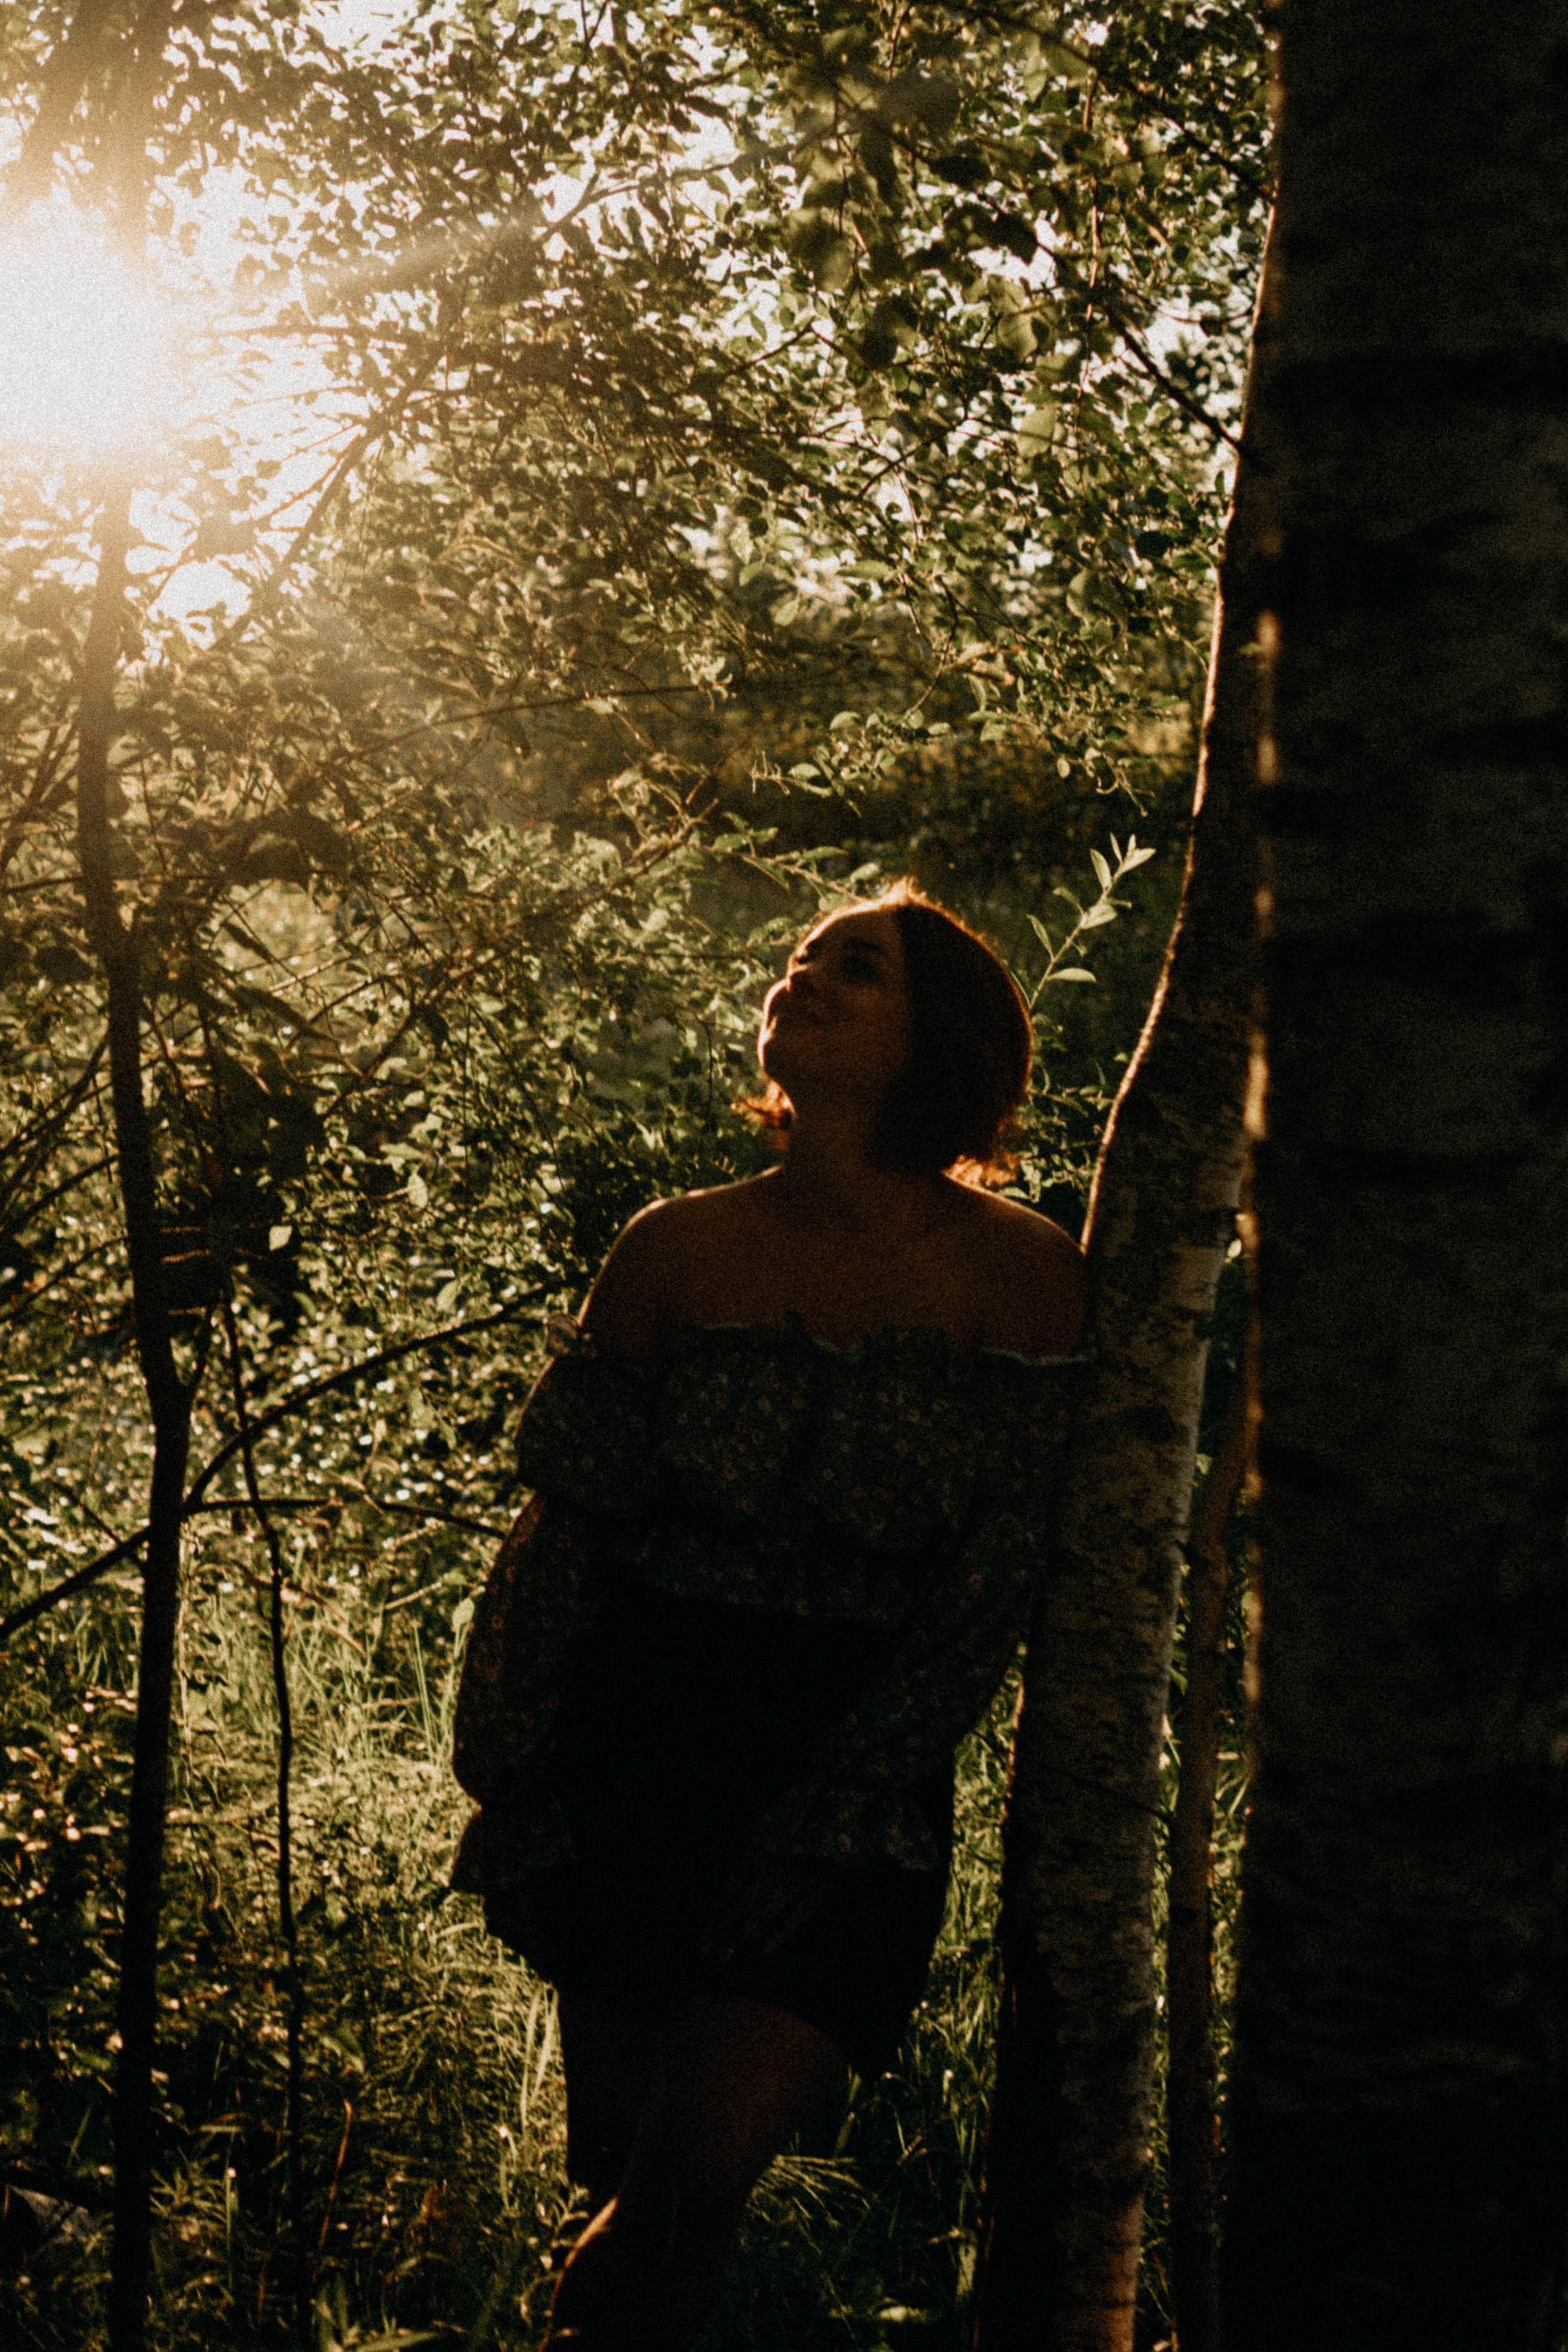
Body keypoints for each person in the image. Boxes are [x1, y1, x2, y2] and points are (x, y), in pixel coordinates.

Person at [450, 880, 1089, 2350]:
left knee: (680, 2188)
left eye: (850, 969)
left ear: (935, 1040)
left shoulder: (1025, 1277)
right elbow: (563, 1538)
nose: (799, 978)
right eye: (799, 957)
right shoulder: (675, 1250)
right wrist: (516, 1783)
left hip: (847, 1767)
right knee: (624, 2191)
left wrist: (844, 1807)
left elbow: (991, 1585)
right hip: (637, 1737)